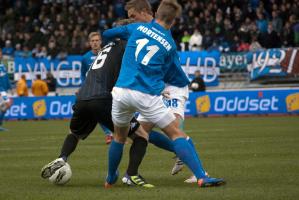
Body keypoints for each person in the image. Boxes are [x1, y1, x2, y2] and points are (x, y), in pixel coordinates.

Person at [103, 0, 225, 188]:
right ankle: (201, 176)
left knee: (120, 137)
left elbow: (107, 34)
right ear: (173, 21)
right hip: (145, 94)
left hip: (120, 92)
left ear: (155, 13)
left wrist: (126, 34)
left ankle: (110, 179)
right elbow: (166, 74)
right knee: (176, 133)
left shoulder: (136, 29)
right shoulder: (169, 44)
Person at [40, 32, 150, 187]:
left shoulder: (105, 49)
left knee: (74, 133)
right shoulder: (126, 47)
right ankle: (128, 175)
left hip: (83, 96)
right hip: (102, 98)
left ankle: (62, 158)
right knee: (140, 135)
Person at [122, 0, 207, 185]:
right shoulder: (145, 30)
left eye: (133, 16)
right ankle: (179, 152)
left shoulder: (161, 28)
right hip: (156, 86)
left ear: (146, 13)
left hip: (173, 86)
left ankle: (199, 172)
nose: (132, 20)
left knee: (174, 129)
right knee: (140, 132)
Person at [81, 32, 113, 144]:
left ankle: (119, 132)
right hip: (93, 89)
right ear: (89, 43)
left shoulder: (107, 54)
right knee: (97, 112)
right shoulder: (85, 58)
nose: (95, 43)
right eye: (92, 41)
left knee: (114, 111)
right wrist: (83, 87)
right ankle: (109, 134)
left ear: (101, 42)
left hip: (108, 87)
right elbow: (83, 74)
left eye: (97, 40)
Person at [0, 49, 12, 131]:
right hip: (0, 90)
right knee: (7, 104)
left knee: (5, 106)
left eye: (1, 53)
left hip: (3, 89)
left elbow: (6, 78)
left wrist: (9, 87)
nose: (1, 55)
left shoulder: (2, 66)